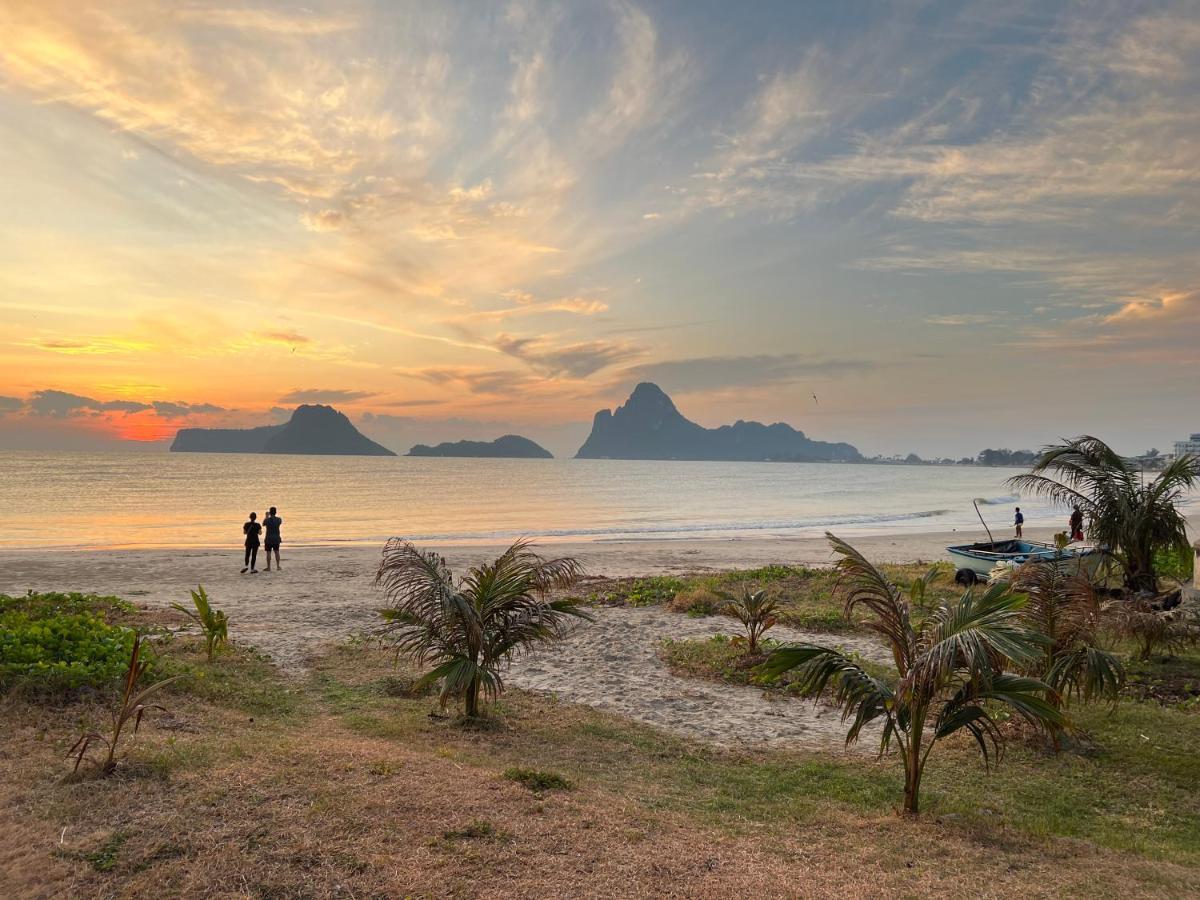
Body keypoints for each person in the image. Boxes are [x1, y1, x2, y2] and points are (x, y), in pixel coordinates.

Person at [263, 506, 283, 571]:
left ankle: (268, 567)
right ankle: (278, 566)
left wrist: (266, 516)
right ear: (275, 512)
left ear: (270, 512)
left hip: (268, 538)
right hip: (276, 538)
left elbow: (263, 524)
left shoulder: (267, 520)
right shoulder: (279, 519)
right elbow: (280, 522)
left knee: (268, 552)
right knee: (277, 552)